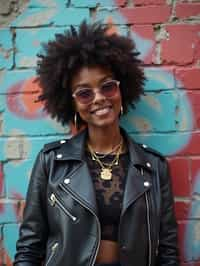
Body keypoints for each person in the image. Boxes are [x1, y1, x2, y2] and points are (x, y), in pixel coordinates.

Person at [14, 21, 179, 266]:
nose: (99, 98)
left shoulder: (153, 167)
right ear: (72, 104)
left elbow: (167, 251)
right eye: (84, 93)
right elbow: (29, 248)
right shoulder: (51, 162)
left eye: (107, 86)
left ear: (121, 89)